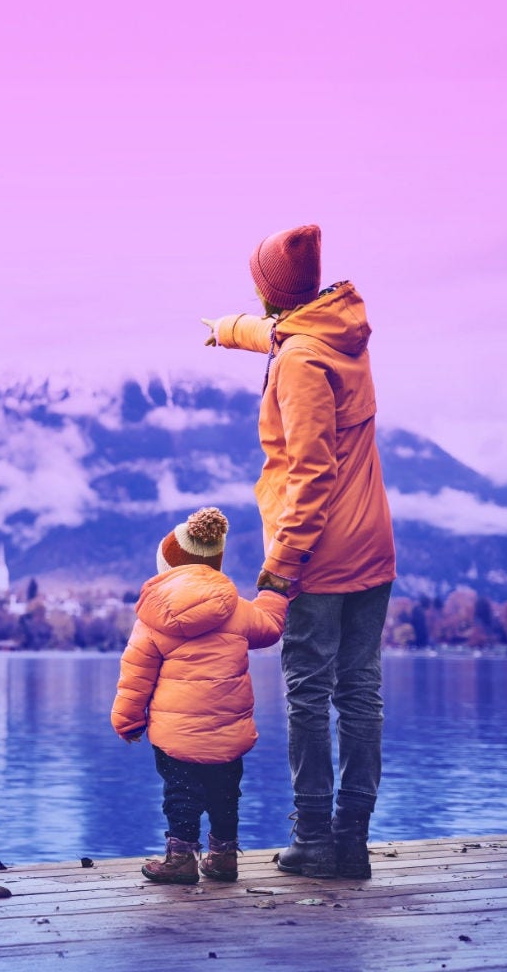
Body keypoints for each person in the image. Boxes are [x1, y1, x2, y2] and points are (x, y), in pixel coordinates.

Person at [202, 223, 397, 879]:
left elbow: (312, 474)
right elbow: (282, 333)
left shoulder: (298, 364)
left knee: (311, 696)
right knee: (361, 693)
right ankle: (353, 843)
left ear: (271, 291)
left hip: (320, 553)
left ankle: (313, 838)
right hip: (374, 546)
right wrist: (229, 328)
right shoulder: (338, 335)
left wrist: (280, 570)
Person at [112, 507, 289, 884]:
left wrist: (128, 720)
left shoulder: (152, 619)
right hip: (228, 729)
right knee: (227, 794)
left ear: (168, 564)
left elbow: (135, 675)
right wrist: (272, 591)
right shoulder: (237, 611)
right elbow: (272, 627)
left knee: (180, 793)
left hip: (174, 734)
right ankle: (223, 857)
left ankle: (181, 859)